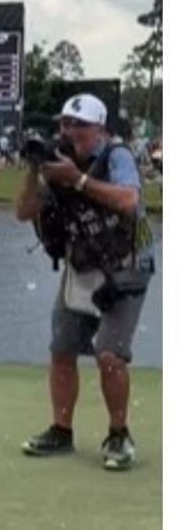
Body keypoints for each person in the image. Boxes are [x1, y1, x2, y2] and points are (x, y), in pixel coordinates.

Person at [15, 95, 155, 471]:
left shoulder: (116, 156)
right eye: (65, 124)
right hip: (82, 265)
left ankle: (119, 434)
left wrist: (76, 180)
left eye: (79, 125)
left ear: (100, 129)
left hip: (127, 265)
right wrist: (35, 169)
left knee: (109, 353)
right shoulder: (58, 160)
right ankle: (61, 430)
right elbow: (23, 212)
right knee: (62, 349)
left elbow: (128, 200)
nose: (70, 132)